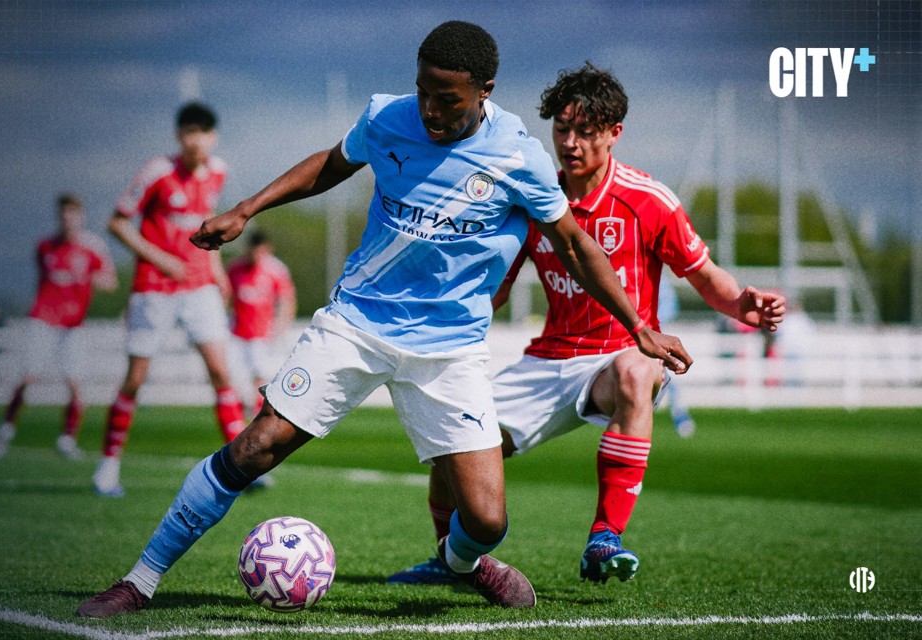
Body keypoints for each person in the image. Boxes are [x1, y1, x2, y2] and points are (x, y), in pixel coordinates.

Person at [76, 23, 689, 617]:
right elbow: (331, 164)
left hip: (450, 349)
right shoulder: (387, 116)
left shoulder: (519, 156)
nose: (428, 108)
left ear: (484, 93)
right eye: (422, 90)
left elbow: (577, 245)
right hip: (357, 323)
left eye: (446, 99)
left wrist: (638, 327)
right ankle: (139, 581)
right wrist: (245, 209)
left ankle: (462, 564)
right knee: (257, 445)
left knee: (486, 522)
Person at [386, 63, 784, 588]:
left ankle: (605, 537)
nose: (570, 143)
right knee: (454, 450)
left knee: (638, 375)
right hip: (548, 358)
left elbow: (704, 275)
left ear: (614, 133)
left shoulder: (649, 200)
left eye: (585, 132)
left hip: (619, 353)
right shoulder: (534, 200)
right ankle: (451, 561)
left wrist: (743, 305)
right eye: (561, 129)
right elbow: (495, 288)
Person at [91, 103, 249, 498]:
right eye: (190, 133)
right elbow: (117, 222)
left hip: (199, 289)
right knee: (136, 379)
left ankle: (244, 465)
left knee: (220, 372)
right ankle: (107, 467)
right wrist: (160, 258)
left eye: (204, 133)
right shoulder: (157, 172)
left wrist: (216, 271)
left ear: (213, 137)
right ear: (180, 136)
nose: (197, 140)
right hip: (155, 289)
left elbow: (208, 222)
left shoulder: (218, 171)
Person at [0, 194, 117, 460]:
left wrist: (89, 278)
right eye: (63, 214)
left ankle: (67, 439)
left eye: (72, 214)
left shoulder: (92, 247)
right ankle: (5, 431)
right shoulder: (45, 246)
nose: (68, 220)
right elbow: (43, 282)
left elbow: (110, 281)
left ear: (81, 217)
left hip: (73, 325)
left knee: (75, 383)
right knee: (28, 376)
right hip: (44, 320)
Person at [227, 230, 297, 417]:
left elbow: (287, 300)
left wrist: (280, 326)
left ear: (267, 249)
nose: (256, 256)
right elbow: (225, 295)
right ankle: (238, 415)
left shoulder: (276, 270)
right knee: (232, 376)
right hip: (237, 333)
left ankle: (258, 415)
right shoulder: (235, 268)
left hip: (263, 333)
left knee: (260, 374)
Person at [657, 277, 696, 436]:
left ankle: (680, 415)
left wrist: (649, 324)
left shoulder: (660, 281)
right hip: (634, 336)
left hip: (655, 336)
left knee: (668, 378)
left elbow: (670, 306)